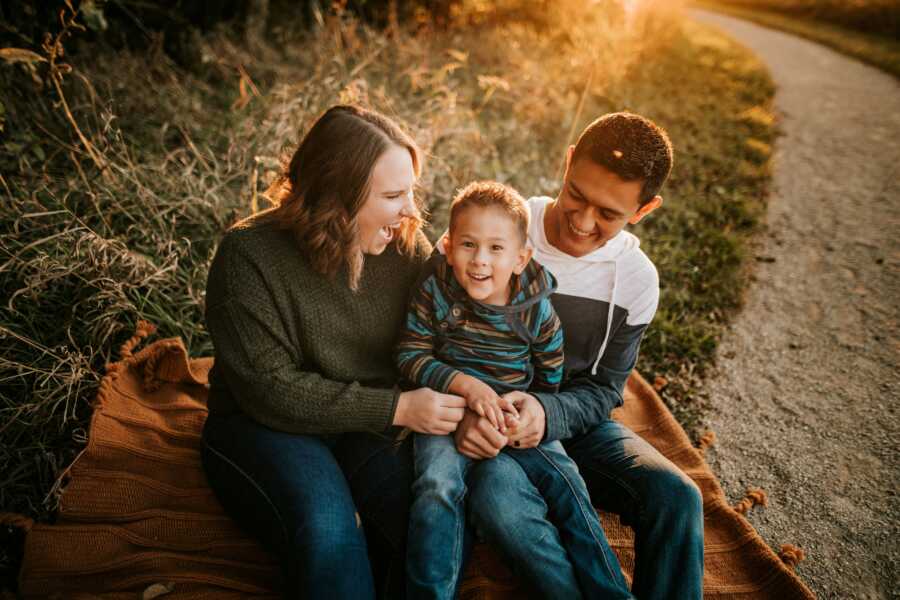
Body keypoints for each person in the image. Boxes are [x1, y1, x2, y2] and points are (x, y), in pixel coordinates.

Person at [200, 104, 469, 599]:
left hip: (364, 426)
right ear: (335, 198)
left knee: (426, 530)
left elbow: (452, 331)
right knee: (330, 534)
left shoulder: (404, 242)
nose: (412, 210)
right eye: (393, 195)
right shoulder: (247, 257)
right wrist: (399, 408)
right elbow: (268, 389)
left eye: (410, 190)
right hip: (265, 428)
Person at [455, 113, 706, 599]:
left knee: (677, 498)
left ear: (644, 208)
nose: (583, 221)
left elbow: (606, 390)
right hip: (487, 423)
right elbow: (436, 333)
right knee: (506, 509)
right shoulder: (496, 230)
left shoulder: (636, 280)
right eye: (576, 194)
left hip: (575, 426)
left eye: (609, 213)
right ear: (568, 161)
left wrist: (548, 414)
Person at [396, 182, 632, 600]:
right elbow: (410, 355)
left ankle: (609, 591)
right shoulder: (435, 292)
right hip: (447, 412)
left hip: (512, 415)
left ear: (521, 258)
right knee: (436, 487)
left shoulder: (535, 309)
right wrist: (464, 385)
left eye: (495, 248)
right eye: (468, 245)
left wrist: (531, 410)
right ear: (448, 247)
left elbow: (550, 367)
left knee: (568, 485)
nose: (480, 260)